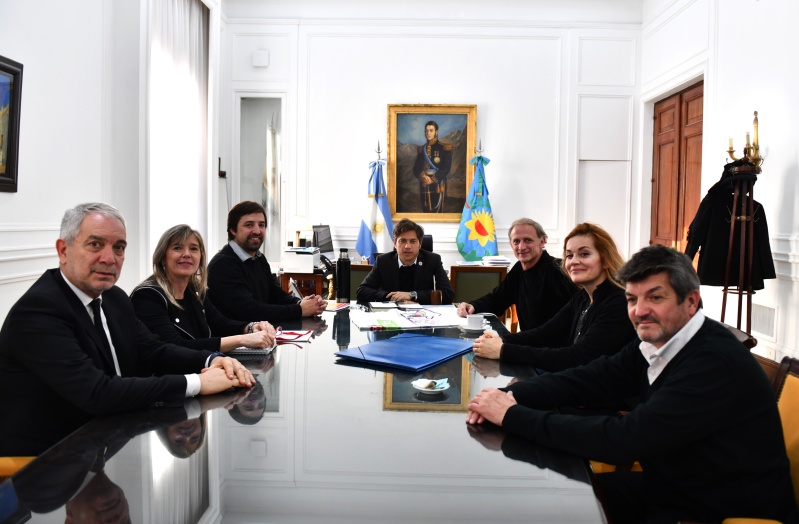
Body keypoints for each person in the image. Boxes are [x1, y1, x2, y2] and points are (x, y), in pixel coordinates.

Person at [466, 245, 798, 523]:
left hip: (723, 508)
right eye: (631, 299)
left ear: (691, 301)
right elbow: (590, 377)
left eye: (655, 297)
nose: (640, 311)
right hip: (677, 485)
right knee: (544, 504)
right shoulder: (659, 341)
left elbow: (623, 440)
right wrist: (506, 394)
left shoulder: (712, 362)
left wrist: (511, 415)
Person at [0, 203, 254, 457]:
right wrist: (198, 382)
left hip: (109, 439)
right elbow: (97, 393)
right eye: (95, 244)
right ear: (63, 250)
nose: (109, 259)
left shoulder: (114, 298)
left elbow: (153, 349)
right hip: (46, 462)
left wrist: (212, 360)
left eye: (119, 248)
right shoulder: (38, 311)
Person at [472, 223, 637, 372]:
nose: (574, 261)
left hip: (594, 389)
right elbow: (545, 333)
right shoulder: (582, 297)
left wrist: (503, 350)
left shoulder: (618, 302)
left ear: (606, 259)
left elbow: (577, 357)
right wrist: (500, 339)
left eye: (584, 254)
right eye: (570, 255)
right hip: (572, 376)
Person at [131, 224, 276, 353]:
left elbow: (220, 324)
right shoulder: (147, 295)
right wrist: (241, 340)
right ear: (163, 257)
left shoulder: (195, 291)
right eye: (177, 248)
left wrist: (251, 327)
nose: (187, 254)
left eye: (194, 249)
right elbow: (174, 346)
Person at [207, 201, 327, 322]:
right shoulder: (222, 265)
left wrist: (302, 303)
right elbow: (249, 311)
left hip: (262, 331)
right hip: (238, 333)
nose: (257, 231)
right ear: (233, 230)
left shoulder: (259, 258)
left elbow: (274, 294)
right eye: (249, 225)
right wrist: (299, 310)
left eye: (261, 225)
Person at [456, 218, 577, 331]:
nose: (521, 247)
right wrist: (473, 306)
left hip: (551, 343)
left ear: (542, 241)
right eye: (516, 241)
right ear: (511, 244)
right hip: (529, 340)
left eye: (528, 240)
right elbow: (497, 299)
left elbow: (565, 323)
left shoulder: (558, 270)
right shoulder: (519, 269)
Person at [356, 218, 454, 304]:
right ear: (395, 243)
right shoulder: (383, 261)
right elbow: (362, 291)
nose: (407, 246)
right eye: (402, 241)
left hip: (423, 313)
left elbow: (448, 294)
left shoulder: (432, 260)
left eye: (413, 241)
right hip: (392, 313)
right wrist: (392, 297)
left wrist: (412, 295)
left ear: (420, 244)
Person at [412, 120, 452, 213]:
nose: (428, 133)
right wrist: (422, 176)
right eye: (426, 131)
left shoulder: (444, 148)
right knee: (425, 210)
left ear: (436, 132)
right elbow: (416, 168)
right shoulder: (422, 150)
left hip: (437, 184)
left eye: (431, 130)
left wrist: (433, 179)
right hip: (424, 184)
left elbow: (446, 168)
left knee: (437, 212)